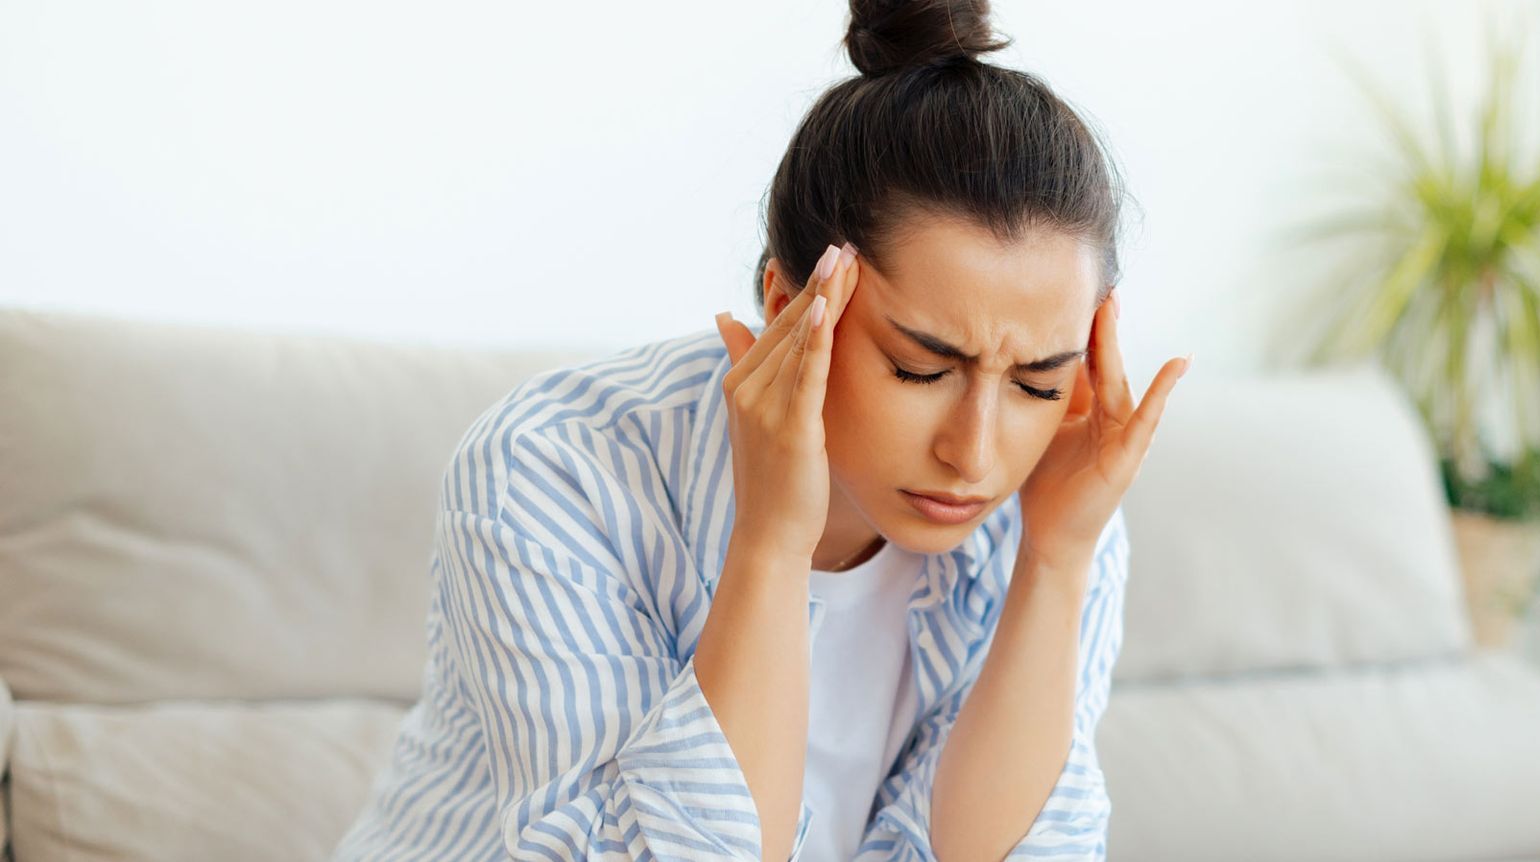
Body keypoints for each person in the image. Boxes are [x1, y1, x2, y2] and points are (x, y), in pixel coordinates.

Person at [332, 0, 1191, 859]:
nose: (975, 454)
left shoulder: (1058, 510)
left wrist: (1055, 562)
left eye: (1038, 383)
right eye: (920, 371)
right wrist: (774, 541)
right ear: (791, 307)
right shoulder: (551, 469)